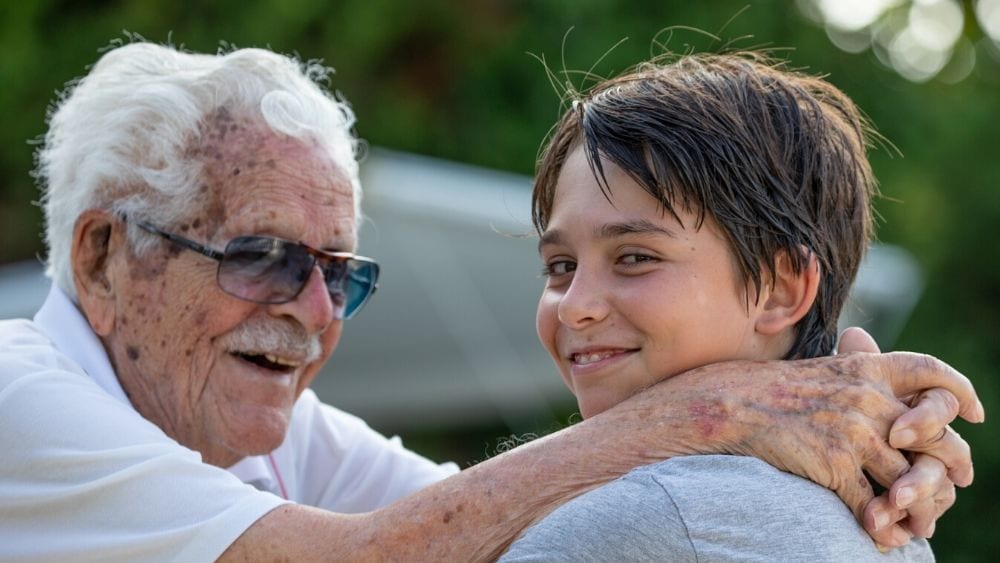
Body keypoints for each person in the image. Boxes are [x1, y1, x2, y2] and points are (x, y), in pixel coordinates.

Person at [0, 40, 982, 561]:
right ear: (102, 257)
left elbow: (477, 517)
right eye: (261, 257)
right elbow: (373, 556)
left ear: (786, 286)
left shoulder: (260, 427)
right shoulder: (16, 395)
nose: (315, 310)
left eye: (337, 270)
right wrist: (721, 412)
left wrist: (862, 435)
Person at [501, 51, 954, 561]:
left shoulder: (645, 515)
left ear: (781, 290)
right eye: (561, 266)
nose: (573, 307)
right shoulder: (884, 526)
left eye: (635, 258)